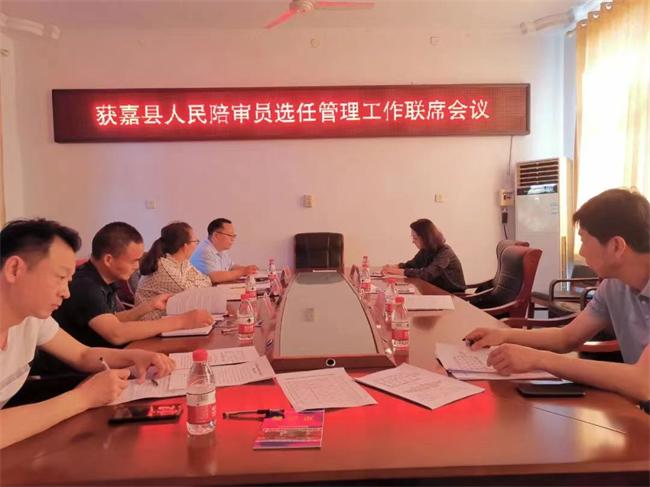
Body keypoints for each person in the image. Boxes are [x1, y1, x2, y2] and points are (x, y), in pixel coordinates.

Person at [0, 219, 176, 449]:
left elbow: (82, 355)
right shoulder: (41, 308)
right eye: (60, 277)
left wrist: (135, 357)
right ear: (15, 269)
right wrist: (83, 398)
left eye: (68, 280)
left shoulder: (32, 319)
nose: (66, 293)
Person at [465, 188, 650, 403]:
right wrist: (503, 335)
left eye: (583, 240)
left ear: (616, 246)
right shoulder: (614, 286)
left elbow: (643, 382)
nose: (581, 251)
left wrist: (539, 359)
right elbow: (566, 338)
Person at [43, 222, 212, 354]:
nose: (137, 267)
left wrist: (149, 306)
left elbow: (111, 319)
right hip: (84, 371)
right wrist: (181, 321)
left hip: (109, 356)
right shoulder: (85, 285)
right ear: (109, 260)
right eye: (133, 261)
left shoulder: (102, 279)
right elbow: (116, 333)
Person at [135, 222, 211, 320]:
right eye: (195, 241)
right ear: (185, 246)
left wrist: (193, 283)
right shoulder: (163, 267)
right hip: (150, 322)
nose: (196, 245)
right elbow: (190, 293)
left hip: (169, 318)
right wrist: (193, 282)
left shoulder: (183, 263)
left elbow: (207, 281)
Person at [382, 218, 466, 293]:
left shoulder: (445, 252)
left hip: (454, 296)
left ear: (425, 238)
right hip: (436, 291)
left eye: (415, 238)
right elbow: (412, 264)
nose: (413, 241)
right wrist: (392, 267)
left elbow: (427, 274)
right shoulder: (425, 249)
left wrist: (396, 271)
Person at [190, 218, 258, 284]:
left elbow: (231, 267)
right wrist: (243, 271)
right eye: (230, 235)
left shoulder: (221, 249)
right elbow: (214, 277)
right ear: (216, 235)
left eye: (234, 236)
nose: (233, 239)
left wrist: (248, 269)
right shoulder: (204, 251)